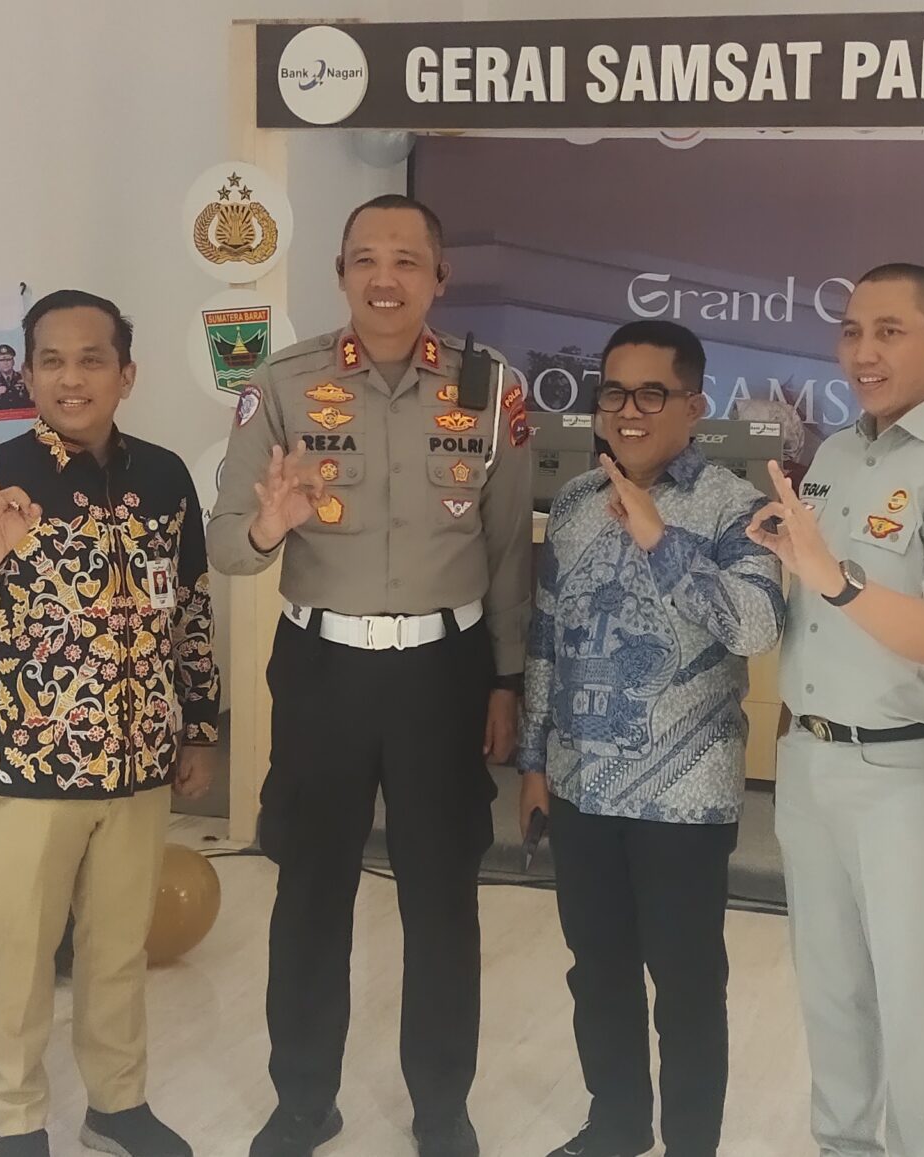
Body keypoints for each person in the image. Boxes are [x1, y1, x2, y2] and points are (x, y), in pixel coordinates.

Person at [208, 193, 533, 1157]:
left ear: (440, 277)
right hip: (324, 673)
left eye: (406, 260)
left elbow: (508, 548)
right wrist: (272, 524)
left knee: (443, 898)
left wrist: (506, 680)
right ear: (341, 273)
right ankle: (304, 1100)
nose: (384, 278)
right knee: (311, 893)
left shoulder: (492, 388)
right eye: (364, 259)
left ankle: (441, 1106)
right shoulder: (281, 383)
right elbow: (226, 543)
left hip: (445, 673)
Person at [0, 289, 220, 1157]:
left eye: (92, 358)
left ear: (127, 373)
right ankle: (16, 1120)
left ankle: (116, 1105)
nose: (71, 377)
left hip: (139, 763)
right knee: (20, 954)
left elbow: (190, 606)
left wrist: (199, 725)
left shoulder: (164, 476)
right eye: (51, 360)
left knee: (117, 948)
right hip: (30, 765)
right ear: (27, 374)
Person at [745, 264, 924, 1157]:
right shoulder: (833, 455)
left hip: (907, 769)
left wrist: (836, 578)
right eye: (853, 330)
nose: (864, 351)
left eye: (890, 331)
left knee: (913, 997)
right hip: (811, 758)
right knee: (830, 989)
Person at [519, 320, 783, 1157]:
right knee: (596, 968)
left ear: (694, 406)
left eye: (651, 393)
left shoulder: (737, 507)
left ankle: (690, 1145)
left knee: (687, 985)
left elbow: (755, 626)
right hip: (580, 783)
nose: (628, 410)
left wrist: (659, 541)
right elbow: (546, 636)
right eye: (614, 392)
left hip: (684, 797)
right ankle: (618, 1123)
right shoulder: (571, 504)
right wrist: (533, 759)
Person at [0, 343, 33, 412]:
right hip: (1, 418)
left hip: (23, 417)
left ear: (13, 361)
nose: (5, 363)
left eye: (8, 359)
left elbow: (35, 399)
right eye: (1, 360)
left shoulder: (23, 377)